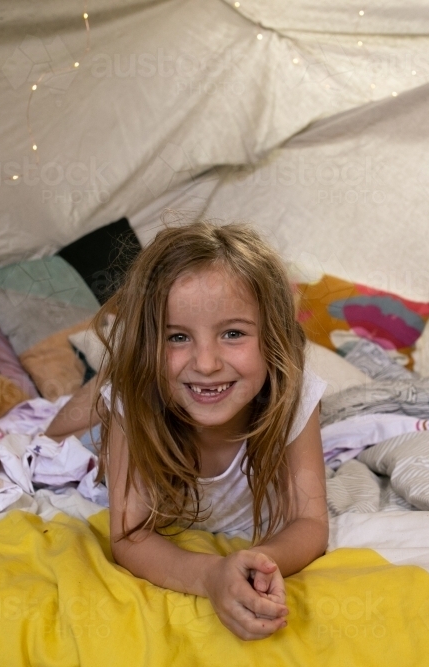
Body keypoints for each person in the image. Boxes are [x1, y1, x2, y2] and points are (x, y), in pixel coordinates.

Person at [45, 221, 328, 640]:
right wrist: (210, 575)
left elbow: (310, 521)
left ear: (274, 339)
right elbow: (130, 535)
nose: (207, 362)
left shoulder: (296, 396)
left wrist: (258, 563)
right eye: (177, 336)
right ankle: (110, 373)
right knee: (55, 438)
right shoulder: (135, 400)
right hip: (136, 393)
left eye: (232, 333)